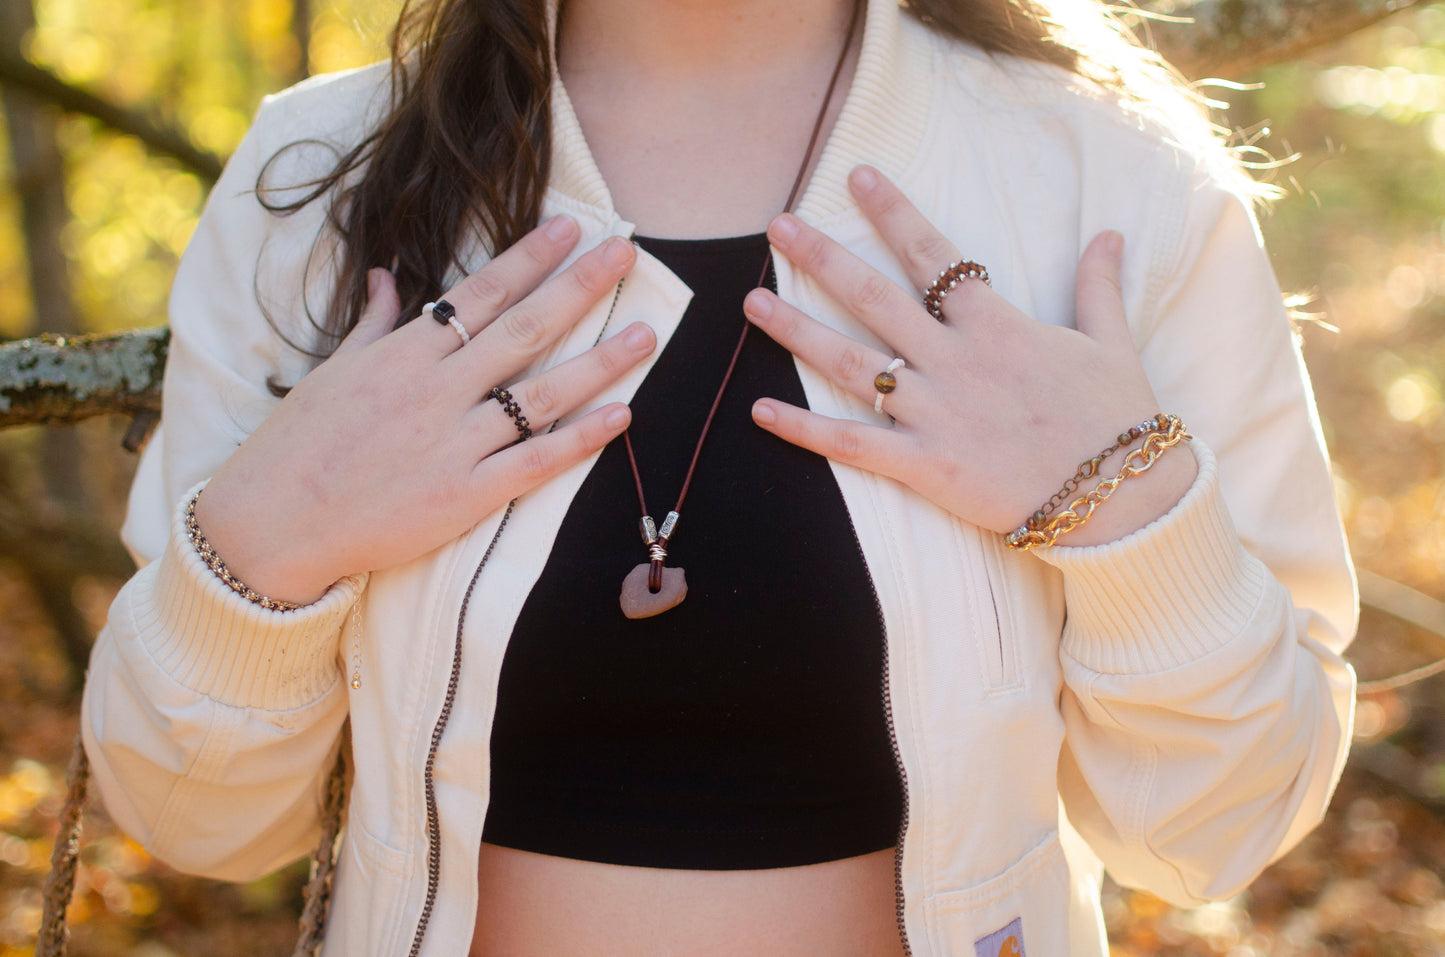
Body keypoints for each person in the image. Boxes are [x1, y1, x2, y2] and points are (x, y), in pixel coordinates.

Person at [79, 0, 1358, 954]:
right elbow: (199, 823)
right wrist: (270, 544)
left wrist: (1126, 518)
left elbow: (1216, 831)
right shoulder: (319, 180)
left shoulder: (1111, 184)